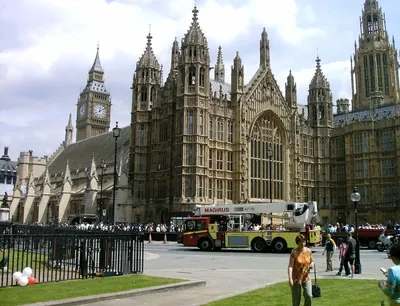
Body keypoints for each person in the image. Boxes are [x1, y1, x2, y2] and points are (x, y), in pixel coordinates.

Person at [288, 234, 314, 306]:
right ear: (297, 243)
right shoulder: (294, 252)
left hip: (306, 277)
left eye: (304, 242)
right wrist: (290, 278)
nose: (303, 244)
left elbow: (312, 261)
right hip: (296, 278)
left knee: (309, 296)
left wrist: (312, 264)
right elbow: (290, 266)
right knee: (296, 301)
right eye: (300, 242)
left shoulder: (308, 251)